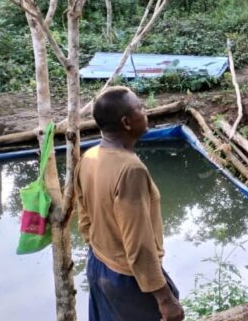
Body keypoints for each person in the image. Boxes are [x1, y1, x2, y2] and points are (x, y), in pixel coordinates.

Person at [75, 87, 184, 321]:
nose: (146, 113)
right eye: (140, 108)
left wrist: (102, 250)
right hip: (128, 279)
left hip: (98, 264)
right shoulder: (130, 170)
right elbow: (139, 245)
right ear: (126, 122)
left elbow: (84, 218)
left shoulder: (90, 156)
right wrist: (165, 298)